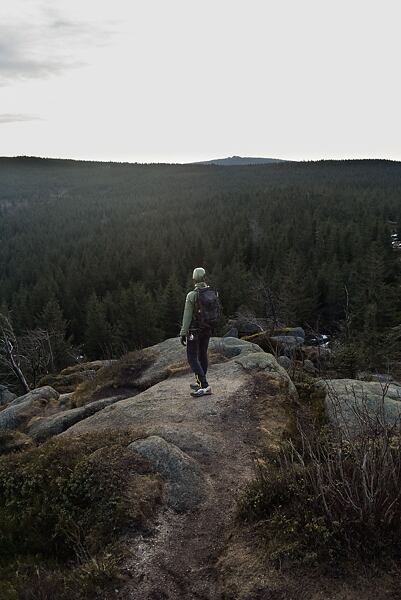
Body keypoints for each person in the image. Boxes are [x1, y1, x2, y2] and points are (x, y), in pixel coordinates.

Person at [180, 267, 213, 397]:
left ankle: (205, 386)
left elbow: (187, 315)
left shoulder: (192, 295)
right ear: (205, 277)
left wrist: (183, 332)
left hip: (195, 330)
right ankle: (201, 382)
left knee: (192, 357)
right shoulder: (212, 292)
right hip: (207, 328)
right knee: (202, 354)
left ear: (194, 279)